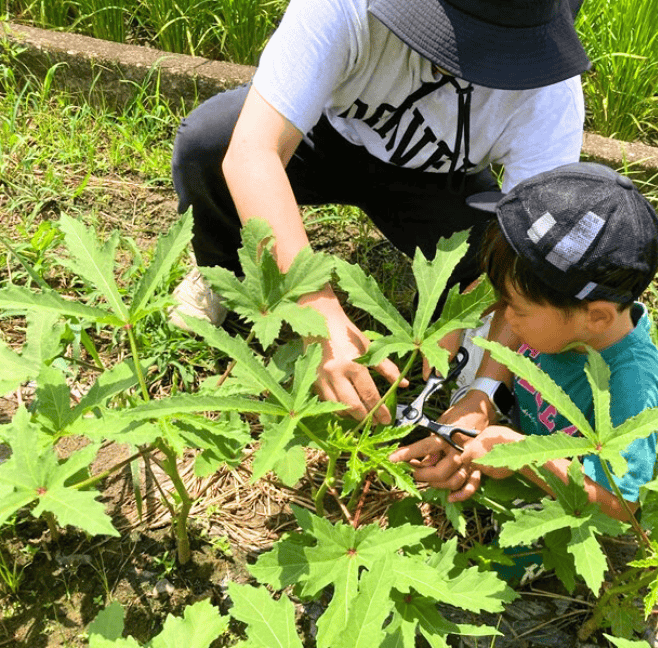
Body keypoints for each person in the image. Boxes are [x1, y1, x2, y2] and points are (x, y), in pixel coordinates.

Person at [169, 0, 590, 424]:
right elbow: (253, 153)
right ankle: (225, 270)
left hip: (439, 181)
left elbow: (531, 251)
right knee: (211, 143)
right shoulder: (347, 7)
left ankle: (470, 342)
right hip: (322, 135)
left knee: (498, 261)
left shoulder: (551, 92)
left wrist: (484, 394)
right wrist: (317, 310)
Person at [390, 162, 658, 522]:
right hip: (519, 419)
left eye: (515, 307)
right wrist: (479, 400)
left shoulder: (631, 384)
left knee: (516, 551)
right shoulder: (556, 320)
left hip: (564, 487)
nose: (505, 316)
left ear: (595, 317)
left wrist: (523, 456)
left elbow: (621, 507)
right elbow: (502, 302)